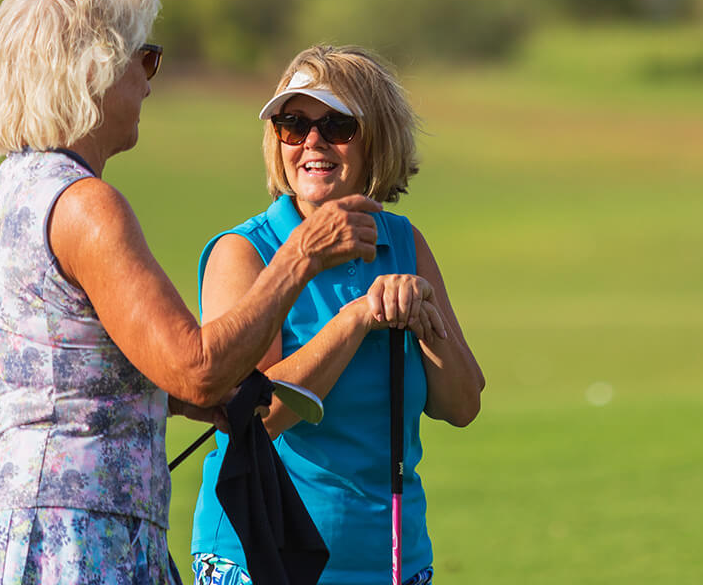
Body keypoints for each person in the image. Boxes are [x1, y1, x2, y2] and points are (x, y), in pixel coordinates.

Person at [0, 0, 381, 585]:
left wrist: (180, 400)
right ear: (91, 73)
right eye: (144, 58)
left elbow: (65, 371)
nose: (148, 80)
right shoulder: (87, 206)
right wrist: (301, 255)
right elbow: (195, 369)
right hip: (75, 536)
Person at [191, 45, 485, 585]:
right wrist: (354, 322)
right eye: (293, 123)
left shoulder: (404, 242)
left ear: (377, 139)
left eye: (337, 125)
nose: (312, 142)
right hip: (264, 560)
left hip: (394, 559)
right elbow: (255, 419)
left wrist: (425, 322)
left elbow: (463, 404)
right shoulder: (245, 252)